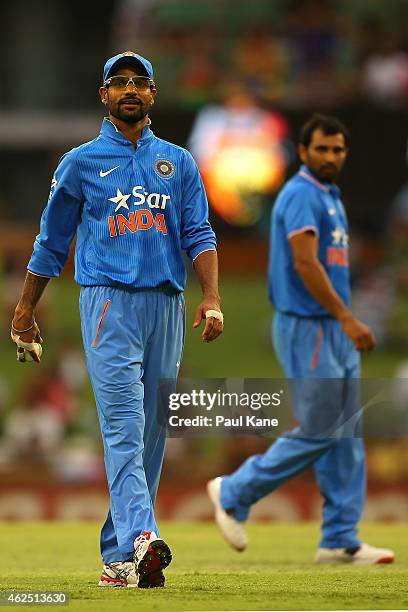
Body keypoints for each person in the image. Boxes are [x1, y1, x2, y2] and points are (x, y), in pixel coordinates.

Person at [11, 50, 223, 588]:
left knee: (152, 432)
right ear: (104, 96)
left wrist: (212, 297)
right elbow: (51, 242)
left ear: (153, 95)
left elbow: (199, 234)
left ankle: (120, 560)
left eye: (140, 82)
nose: (130, 89)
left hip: (167, 305)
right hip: (109, 301)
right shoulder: (80, 163)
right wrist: (25, 307)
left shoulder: (179, 162)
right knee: (123, 425)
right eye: (119, 82)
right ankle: (145, 536)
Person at [207, 114, 394, 565]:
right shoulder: (300, 194)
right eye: (322, 149)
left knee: (345, 432)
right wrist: (348, 317)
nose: (331, 156)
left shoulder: (330, 197)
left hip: (330, 327)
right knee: (322, 427)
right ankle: (233, 490)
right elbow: (307, 265)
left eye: (338, 149)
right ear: (304, 152)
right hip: (309, 325)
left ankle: (339, 537)